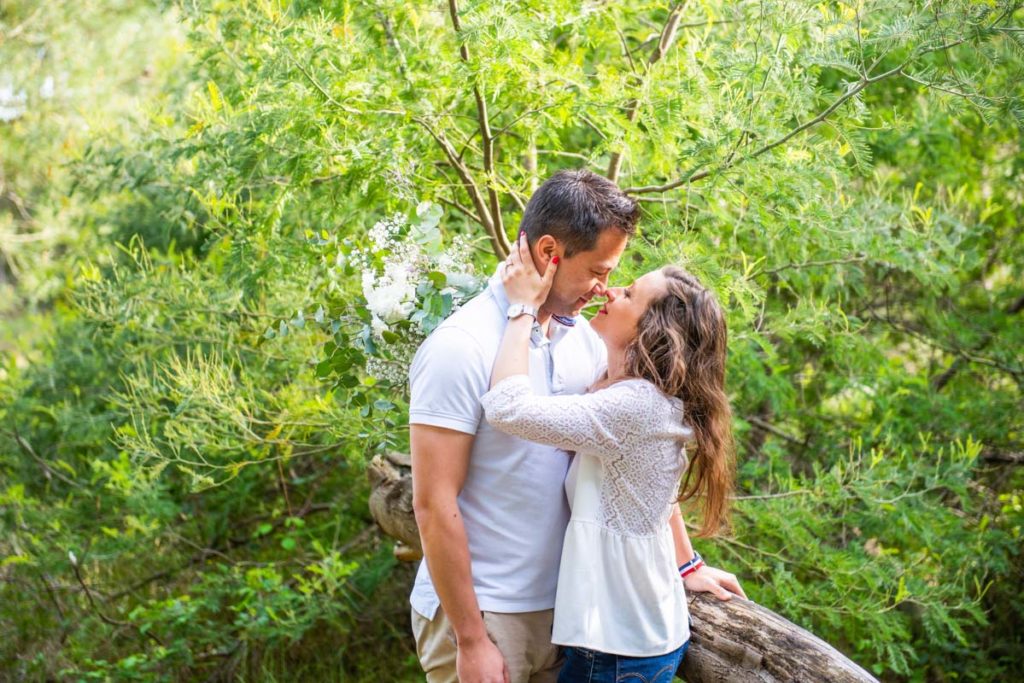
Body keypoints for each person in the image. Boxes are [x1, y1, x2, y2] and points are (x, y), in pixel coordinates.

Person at [479, 236, 745, 681]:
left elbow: (506, 409)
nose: (610, 290)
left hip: (615, 650)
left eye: (629, 294)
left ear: (651, 329)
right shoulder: (634, 396)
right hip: (629, 639)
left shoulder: (635, 407)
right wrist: (689, 564)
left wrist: (521, 309)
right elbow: (657, 497)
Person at [409, 169, 638, 683]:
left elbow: (631, 454)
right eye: (598, 271)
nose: (603, 289)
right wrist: (470, 639)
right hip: (485, 617)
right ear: (549, 252)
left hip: (564, 614)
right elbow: (432, 504)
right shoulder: (461, 346)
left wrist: (688, 566)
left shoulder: (582, 340)